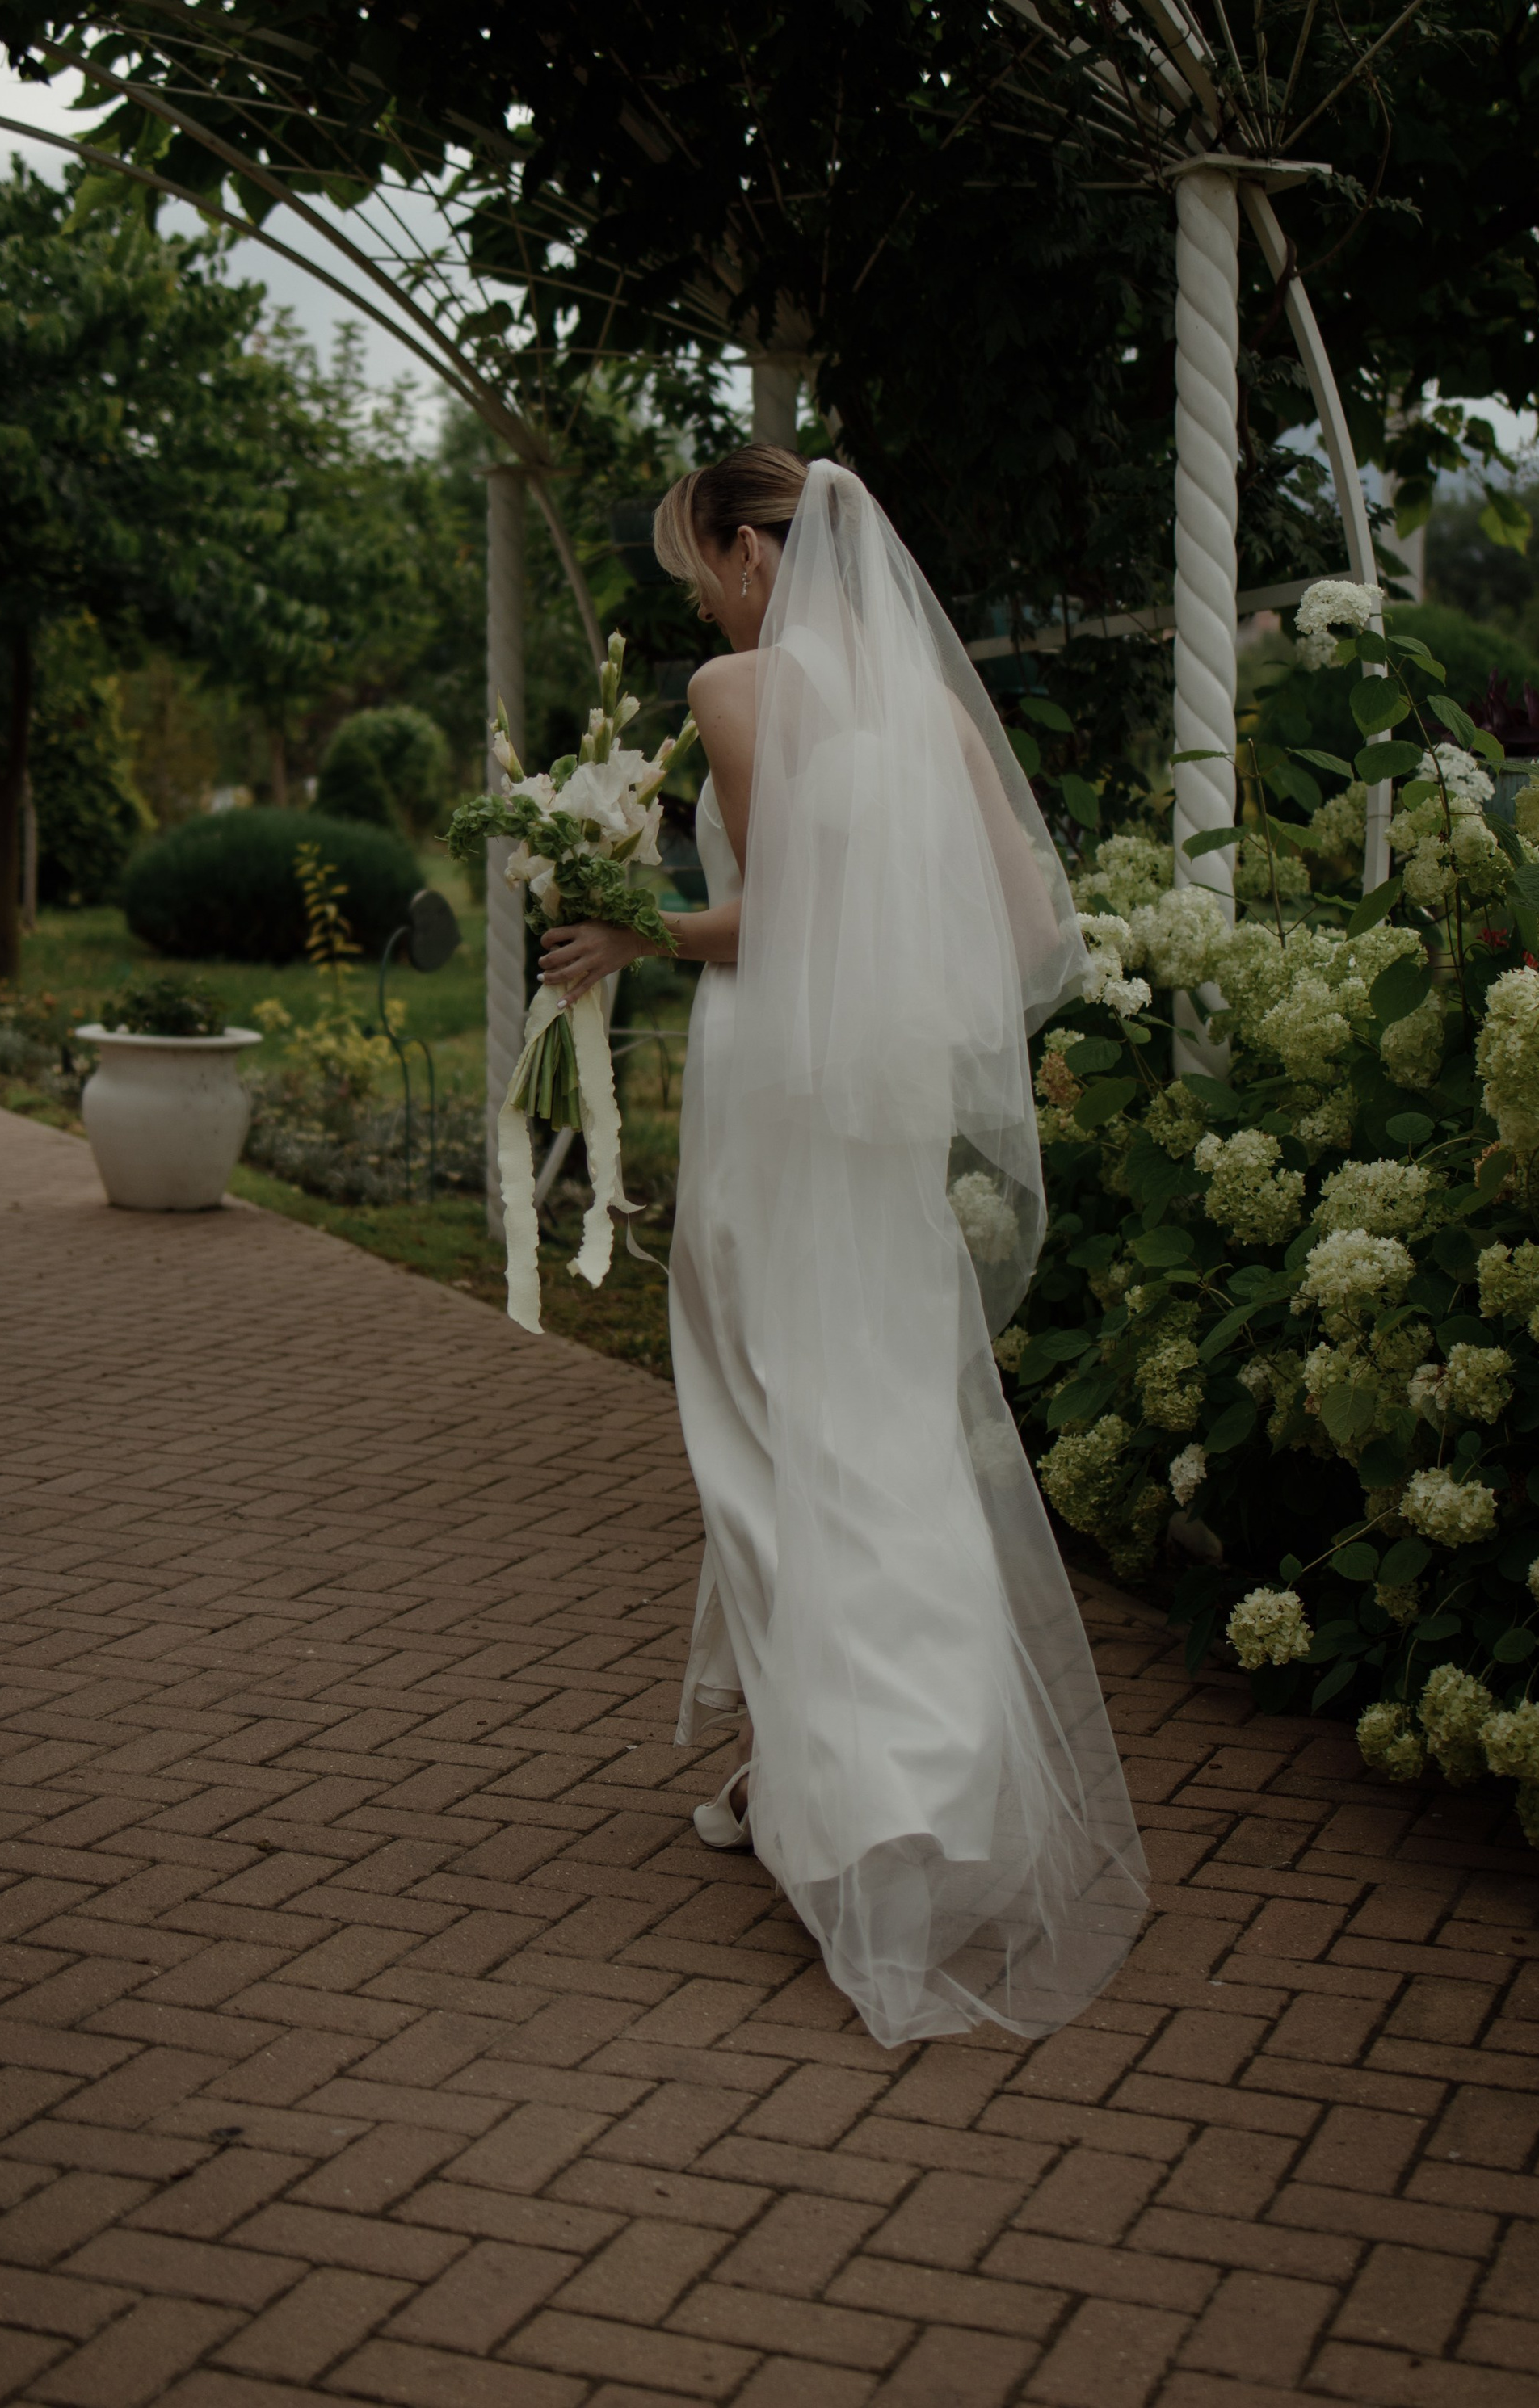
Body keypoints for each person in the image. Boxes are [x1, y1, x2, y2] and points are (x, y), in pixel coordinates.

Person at [537, 449, 1148, 2046]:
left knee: (766, 1423)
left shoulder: (739, 683)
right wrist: (907, 1018)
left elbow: (779, 907)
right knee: (880, 1422)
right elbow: (1027, 938)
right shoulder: (934, 710)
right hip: (879, 1122)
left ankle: (855, 1792)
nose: (708, 595)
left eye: (705, 565)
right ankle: (841, 1769)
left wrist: (632, 927)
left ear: (752, 551)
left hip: (773, 1098)